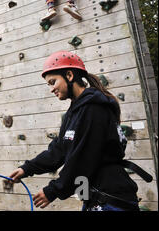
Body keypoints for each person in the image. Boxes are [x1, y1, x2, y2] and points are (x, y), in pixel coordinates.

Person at [8, 51, 152, 211]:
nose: (51, 89)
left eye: (53, 82)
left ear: (69, 75)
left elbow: (82, 158)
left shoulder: (94, 109)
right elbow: (58, 150)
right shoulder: (74, 112)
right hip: (96, 197)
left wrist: (53, 190)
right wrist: (27, 169)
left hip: (111, 198)